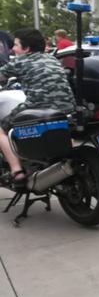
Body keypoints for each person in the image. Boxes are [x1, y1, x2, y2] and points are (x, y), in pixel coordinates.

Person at [0, 28, 76, 184]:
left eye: (15, 45)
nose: (12, 49)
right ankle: (68, 157)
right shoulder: (52, 59)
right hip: (68, 105)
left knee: (1, 130)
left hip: (38, 105)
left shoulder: (19, 61)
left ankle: (17, 171)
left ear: (26, 48)